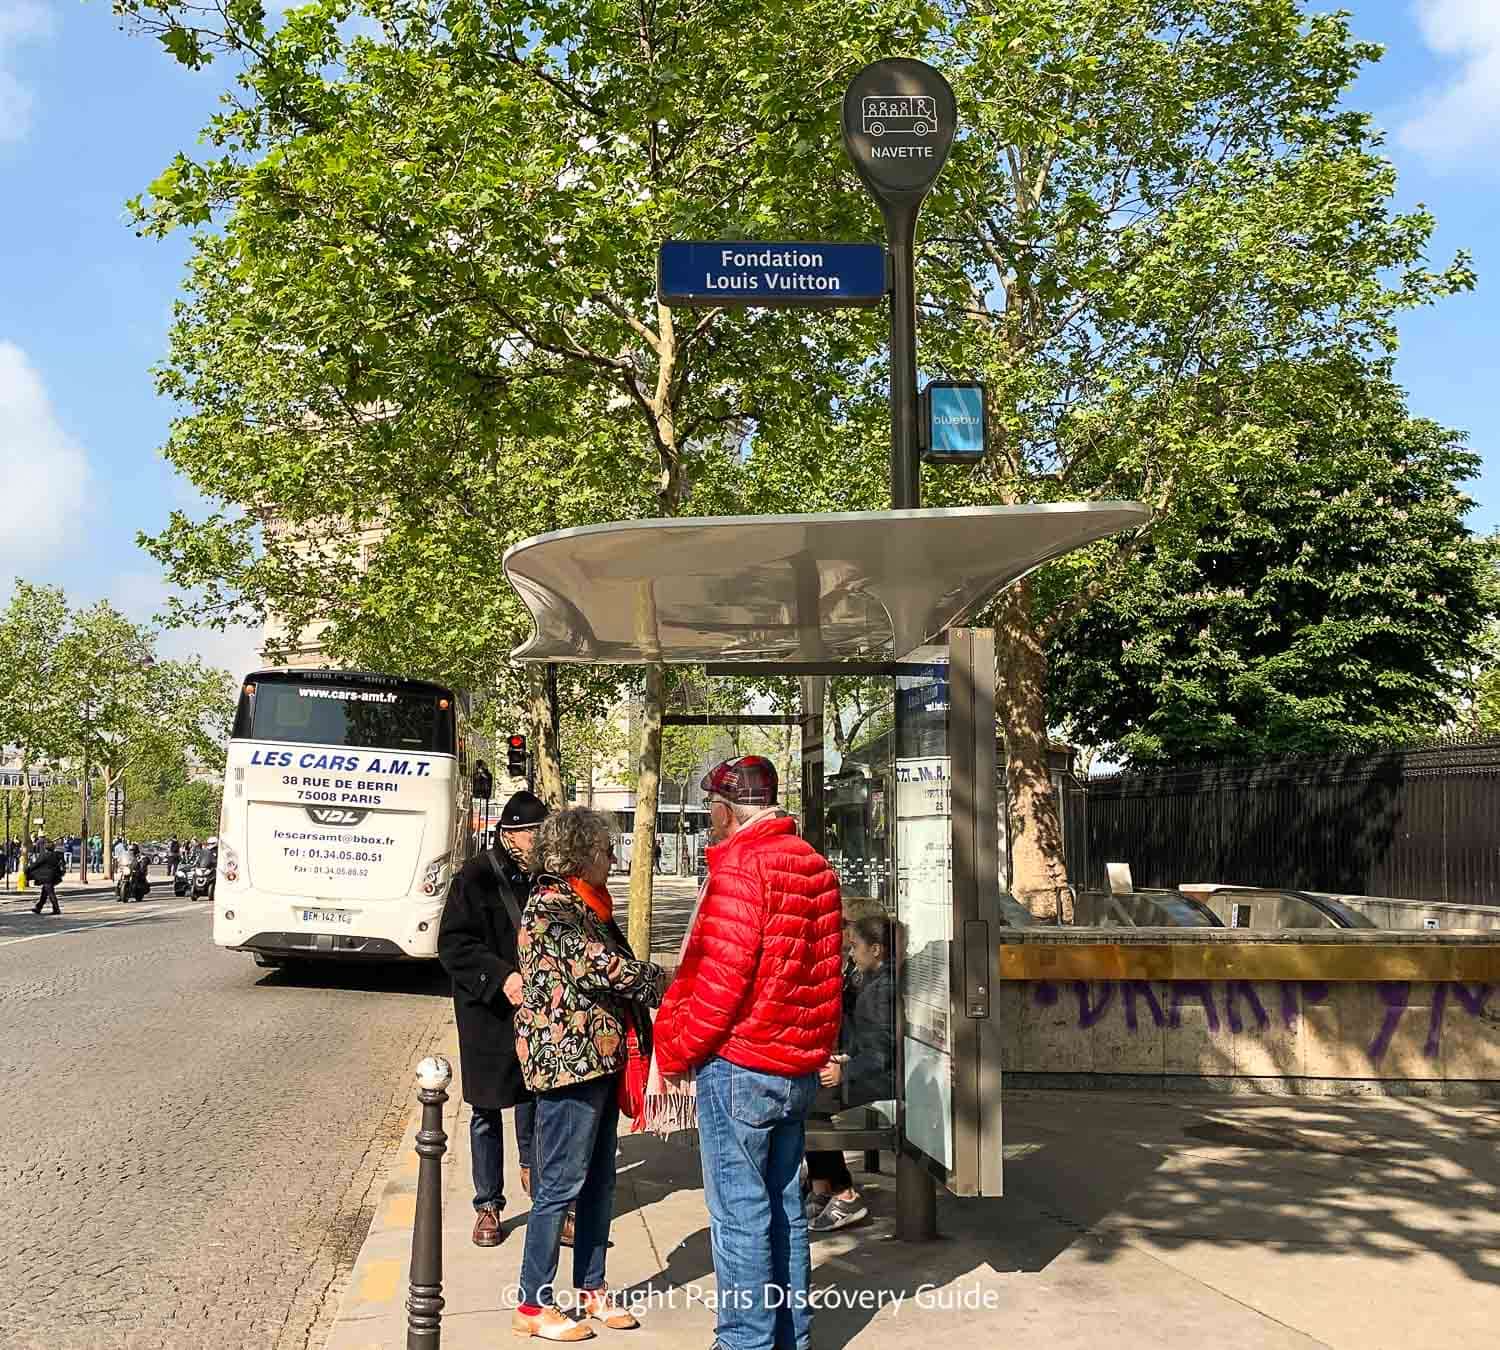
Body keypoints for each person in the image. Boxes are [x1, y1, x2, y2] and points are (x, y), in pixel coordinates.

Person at [654, 756, 843, 1350]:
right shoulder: (814, 864)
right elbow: (828, 972)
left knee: (740, 1214)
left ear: (727, 807)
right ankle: (790, 1337)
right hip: (794, 1063)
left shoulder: (740, 866)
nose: (708, 817)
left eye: (711, 805)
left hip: (742, 1063)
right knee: (784, 1205)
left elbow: (720, 981)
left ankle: (744, 1341)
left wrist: (677, 1050)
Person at [512, 807, 667, 1342]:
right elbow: (597, 963)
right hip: (568, 1067)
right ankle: (533, 1304)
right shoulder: (552, 907)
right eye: (604, 850)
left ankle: (592, 1291)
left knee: (600, 1180)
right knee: (559, 1186)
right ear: (579, 854)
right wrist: (662, 981)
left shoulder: (586, 903)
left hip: (598, 1060)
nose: (612, 858)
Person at [437, 789, 548, 1249]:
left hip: (536, 1007)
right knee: (485, 1109)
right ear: (509, 835)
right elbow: (454, 944)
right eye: (532, 834)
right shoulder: (475, 877)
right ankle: (487, 1204)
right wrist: (501, 978)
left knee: (537, 1101)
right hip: (486, 1011)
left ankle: (544, 1198)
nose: (539, 841)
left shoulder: (547, 875)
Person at [806, 910, 898, 1232]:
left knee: (813, 1104)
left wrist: (846, 1071)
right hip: (868, 1067)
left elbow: (883, 1052)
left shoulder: (882, 989)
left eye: (855, 946)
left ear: (876, 949)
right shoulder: (871, 979)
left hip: (883, 1078)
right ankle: (823, 1186)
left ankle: (843, 1193)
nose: (851, 953)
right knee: (810, 1098)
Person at [26, 837, 64, 915]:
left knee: (51, 893)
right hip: (53, 876)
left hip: (46, 877)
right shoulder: (56, 855)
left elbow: (36, 864)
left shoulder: (44, 855)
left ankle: (56, 909)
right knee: (44, 893)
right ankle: (38, 907)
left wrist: (27, 869)